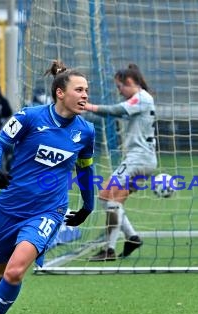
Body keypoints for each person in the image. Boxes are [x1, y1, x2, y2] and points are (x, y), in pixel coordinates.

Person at [0, 60, 96, 314]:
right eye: (79, 90)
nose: (85, 95)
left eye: (87, 91)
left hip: (47, 212)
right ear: (60, 92)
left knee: (14, 271)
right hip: (9, 208)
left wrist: (88, 205)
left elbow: (85, 171)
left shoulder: (86, 131)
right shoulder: (29, 117)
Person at [81, 63, 157, 261]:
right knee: (113, 200)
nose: (119, 91)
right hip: (142, 159)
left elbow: (114, 110)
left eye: (119, 86)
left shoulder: (141, 98)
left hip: (138, 159)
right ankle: (131, 237)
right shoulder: (142, 99)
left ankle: (110, 249)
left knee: (106, 196)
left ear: (130, 82)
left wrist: (87, 106)